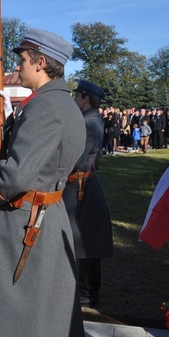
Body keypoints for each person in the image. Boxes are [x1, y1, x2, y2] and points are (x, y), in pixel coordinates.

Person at [0, 28, 85, 337]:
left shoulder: (46, 108)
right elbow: (40, 159)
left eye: (22, 60)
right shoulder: (55, 102)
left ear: (40, 62)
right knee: (46, 322)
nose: (17, 68)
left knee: (34, 324)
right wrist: (5, 119)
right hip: (45, 218)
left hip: (30, 224)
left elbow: (18, 174)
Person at [63, 80, 113, 308]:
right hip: (84, 185)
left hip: (79, 187)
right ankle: (86, 292)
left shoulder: (87, 122)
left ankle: (85, 293)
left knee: (83, 241)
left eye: (77, 96)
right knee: (86, 240)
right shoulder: (91, 119)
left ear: (85, 98)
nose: (75, 99)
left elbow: (75, 159)